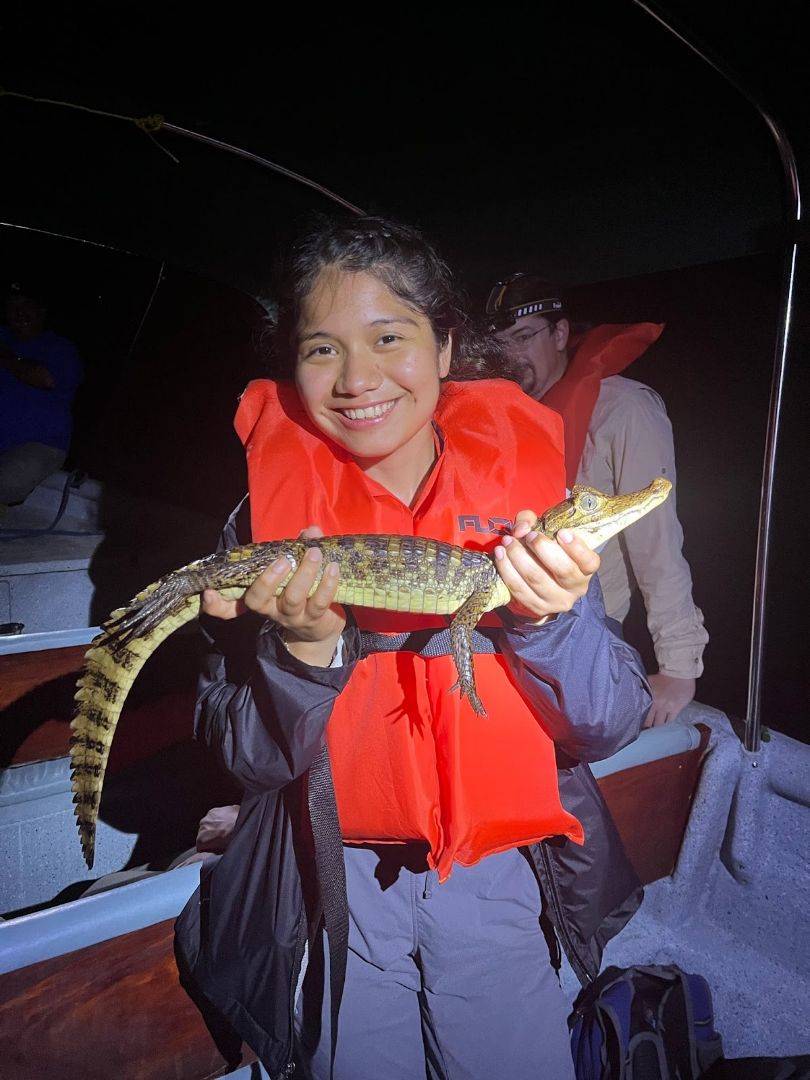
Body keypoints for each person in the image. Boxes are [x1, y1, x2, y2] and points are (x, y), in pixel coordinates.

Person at [173, 215, 652, 1080]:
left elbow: (612, 722)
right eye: (322, 349)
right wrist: (304, 651)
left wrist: (548, 621)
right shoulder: (262, 524)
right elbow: (240, 751)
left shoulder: (535, 524)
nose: (358, 378)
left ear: (445, 345)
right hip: (334, 890)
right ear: (292, 364)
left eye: (388, 337)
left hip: (499, 879)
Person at [484, 273, 708, 727]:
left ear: (561, 333)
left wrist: (679, 668)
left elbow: (657, 542)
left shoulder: (625, 410)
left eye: (524, 337)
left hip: (588, 630)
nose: (511, 356)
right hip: (509, 625)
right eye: (500, 343)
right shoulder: (509, 415)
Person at [0, 282, 84, 506]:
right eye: (13, 306)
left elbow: (44, 379)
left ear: (41, 311)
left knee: (6, 483)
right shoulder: (3, 336)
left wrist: (5, 357)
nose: (19, 313)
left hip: (40, 446)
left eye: (27, 305)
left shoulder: (60, 348)